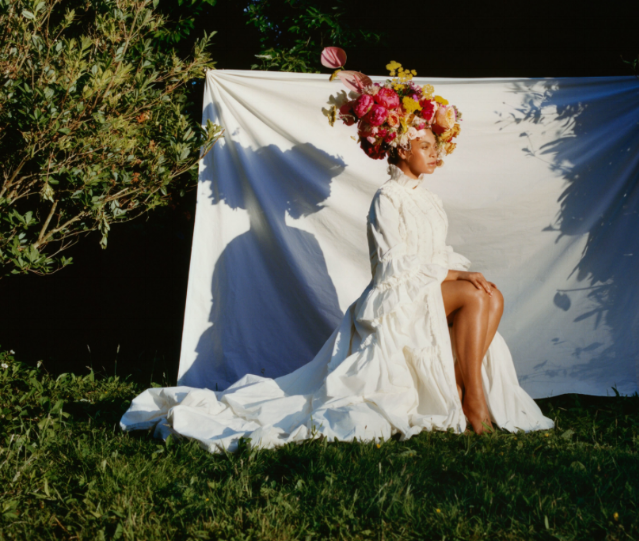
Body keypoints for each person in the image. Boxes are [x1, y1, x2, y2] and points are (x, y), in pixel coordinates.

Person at [119, 59, 553, 452]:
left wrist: (460, 271)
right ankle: (472, 400)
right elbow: (393, 266)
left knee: (490, 293)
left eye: (436, 147)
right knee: (476, 295)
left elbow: (434, 254)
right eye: (426, 147)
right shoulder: (388, 198)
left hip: (423, 288)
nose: (436, 154)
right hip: (394, 301)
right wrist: (458, 273)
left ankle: (463, 388)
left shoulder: (429, 201)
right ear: (402, 149)